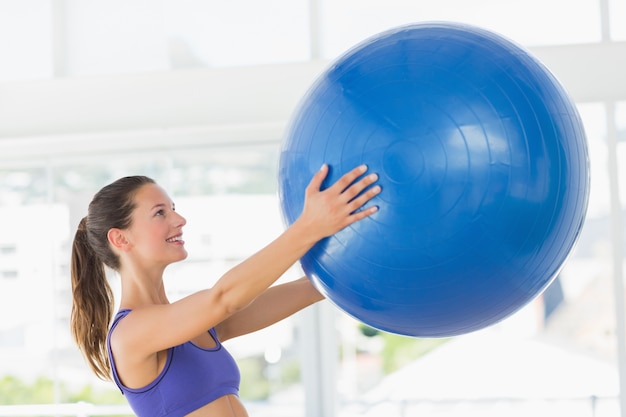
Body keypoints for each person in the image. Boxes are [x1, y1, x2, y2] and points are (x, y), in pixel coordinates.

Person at [70, 163, 381, 417]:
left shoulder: (193, 325)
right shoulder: (130, 333)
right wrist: (309, 227)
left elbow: (309, 289)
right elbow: (225, 297)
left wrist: (361, 265)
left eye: (174, 208)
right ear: (121, 239)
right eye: (160, 212)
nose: (180, 219)